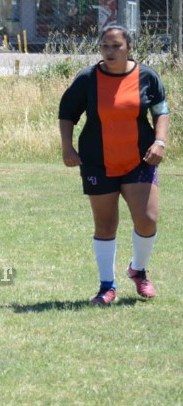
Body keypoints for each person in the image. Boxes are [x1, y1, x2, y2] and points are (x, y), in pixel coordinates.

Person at [58, 25, 169, 304]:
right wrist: (67, 147)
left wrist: (160, 142)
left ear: (128, 47)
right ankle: (107, 286)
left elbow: (161, 111)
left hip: (139, 160)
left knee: (147, 220)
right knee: (105, 225)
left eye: (116, 46)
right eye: (105, 46)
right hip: (97, 162)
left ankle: (138, 271)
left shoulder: (147, 76)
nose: (110, 51)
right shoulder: (87, 79)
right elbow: (67, 113)